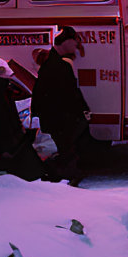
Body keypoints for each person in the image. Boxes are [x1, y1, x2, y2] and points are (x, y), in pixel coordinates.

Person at [31, 26, 102, 183]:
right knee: (67, 146)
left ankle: (64, 174)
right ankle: (65, 176)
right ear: (66, 41)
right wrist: (83, 109)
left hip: (55, 116)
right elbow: (71, 92)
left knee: (66, 147)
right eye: (74, 41)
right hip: (60, 117)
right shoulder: (59, 65)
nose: (76, 45)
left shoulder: (50, 62)